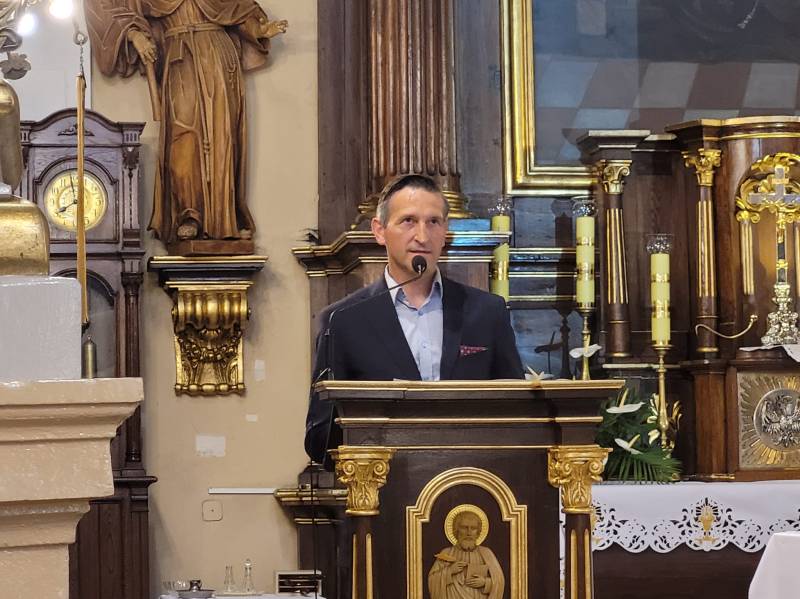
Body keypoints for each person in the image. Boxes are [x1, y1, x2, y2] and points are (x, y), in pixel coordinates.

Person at [304, 174, 524, 463]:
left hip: (469, 479)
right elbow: (319, 438)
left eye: (433, 222)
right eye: (408, 221)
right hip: (383, 481)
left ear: (445, 232)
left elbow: (519, 415)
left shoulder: (487, 312)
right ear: (379, 231)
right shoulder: (343, 321)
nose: (422, 236)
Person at [84, 0, 288, 245]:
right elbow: (105, 6)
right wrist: (134, 34)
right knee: (183, 139)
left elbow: (234, 9)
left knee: (222, 137)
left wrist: (258, 29)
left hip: (218, 57)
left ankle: (224, 220)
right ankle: (188, 214)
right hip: (179, 57)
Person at [428, 510, 504, 599]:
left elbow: (500, 582)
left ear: (478, 531)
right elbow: (432, 581)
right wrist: (450, 571)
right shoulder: (446, 553)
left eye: (473, 528)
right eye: (464, 527)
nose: (469, 532)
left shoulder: (487, 553)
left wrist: (485, 583)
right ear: (456, 530)